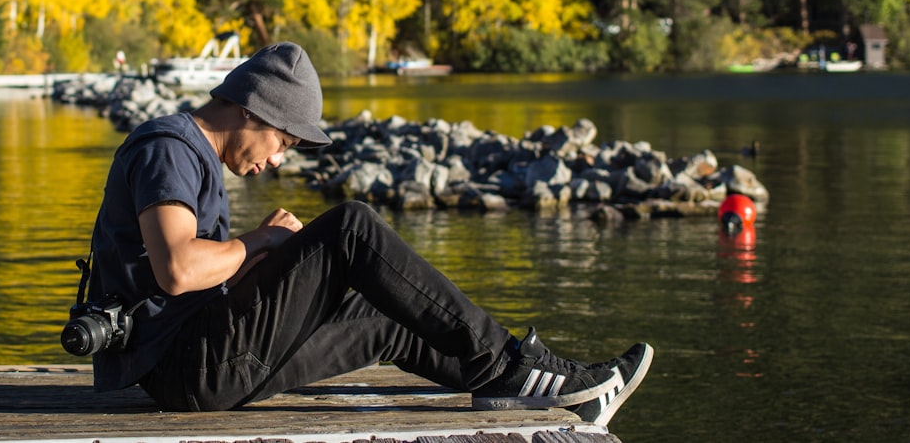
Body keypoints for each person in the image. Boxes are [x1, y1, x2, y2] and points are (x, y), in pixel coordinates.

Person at [73, 41, 654, 425]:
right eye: (283, 143)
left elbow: (187, 280)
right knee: (351, 226)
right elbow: (177, 270)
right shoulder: (169, 148)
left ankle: (532, 384)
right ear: (252, 111)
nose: (277, 161)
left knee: (384, 315)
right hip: (190, 370)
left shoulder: (194, 157)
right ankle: (521, 363)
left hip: (204, 365)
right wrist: (260, 242)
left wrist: (265, 252)